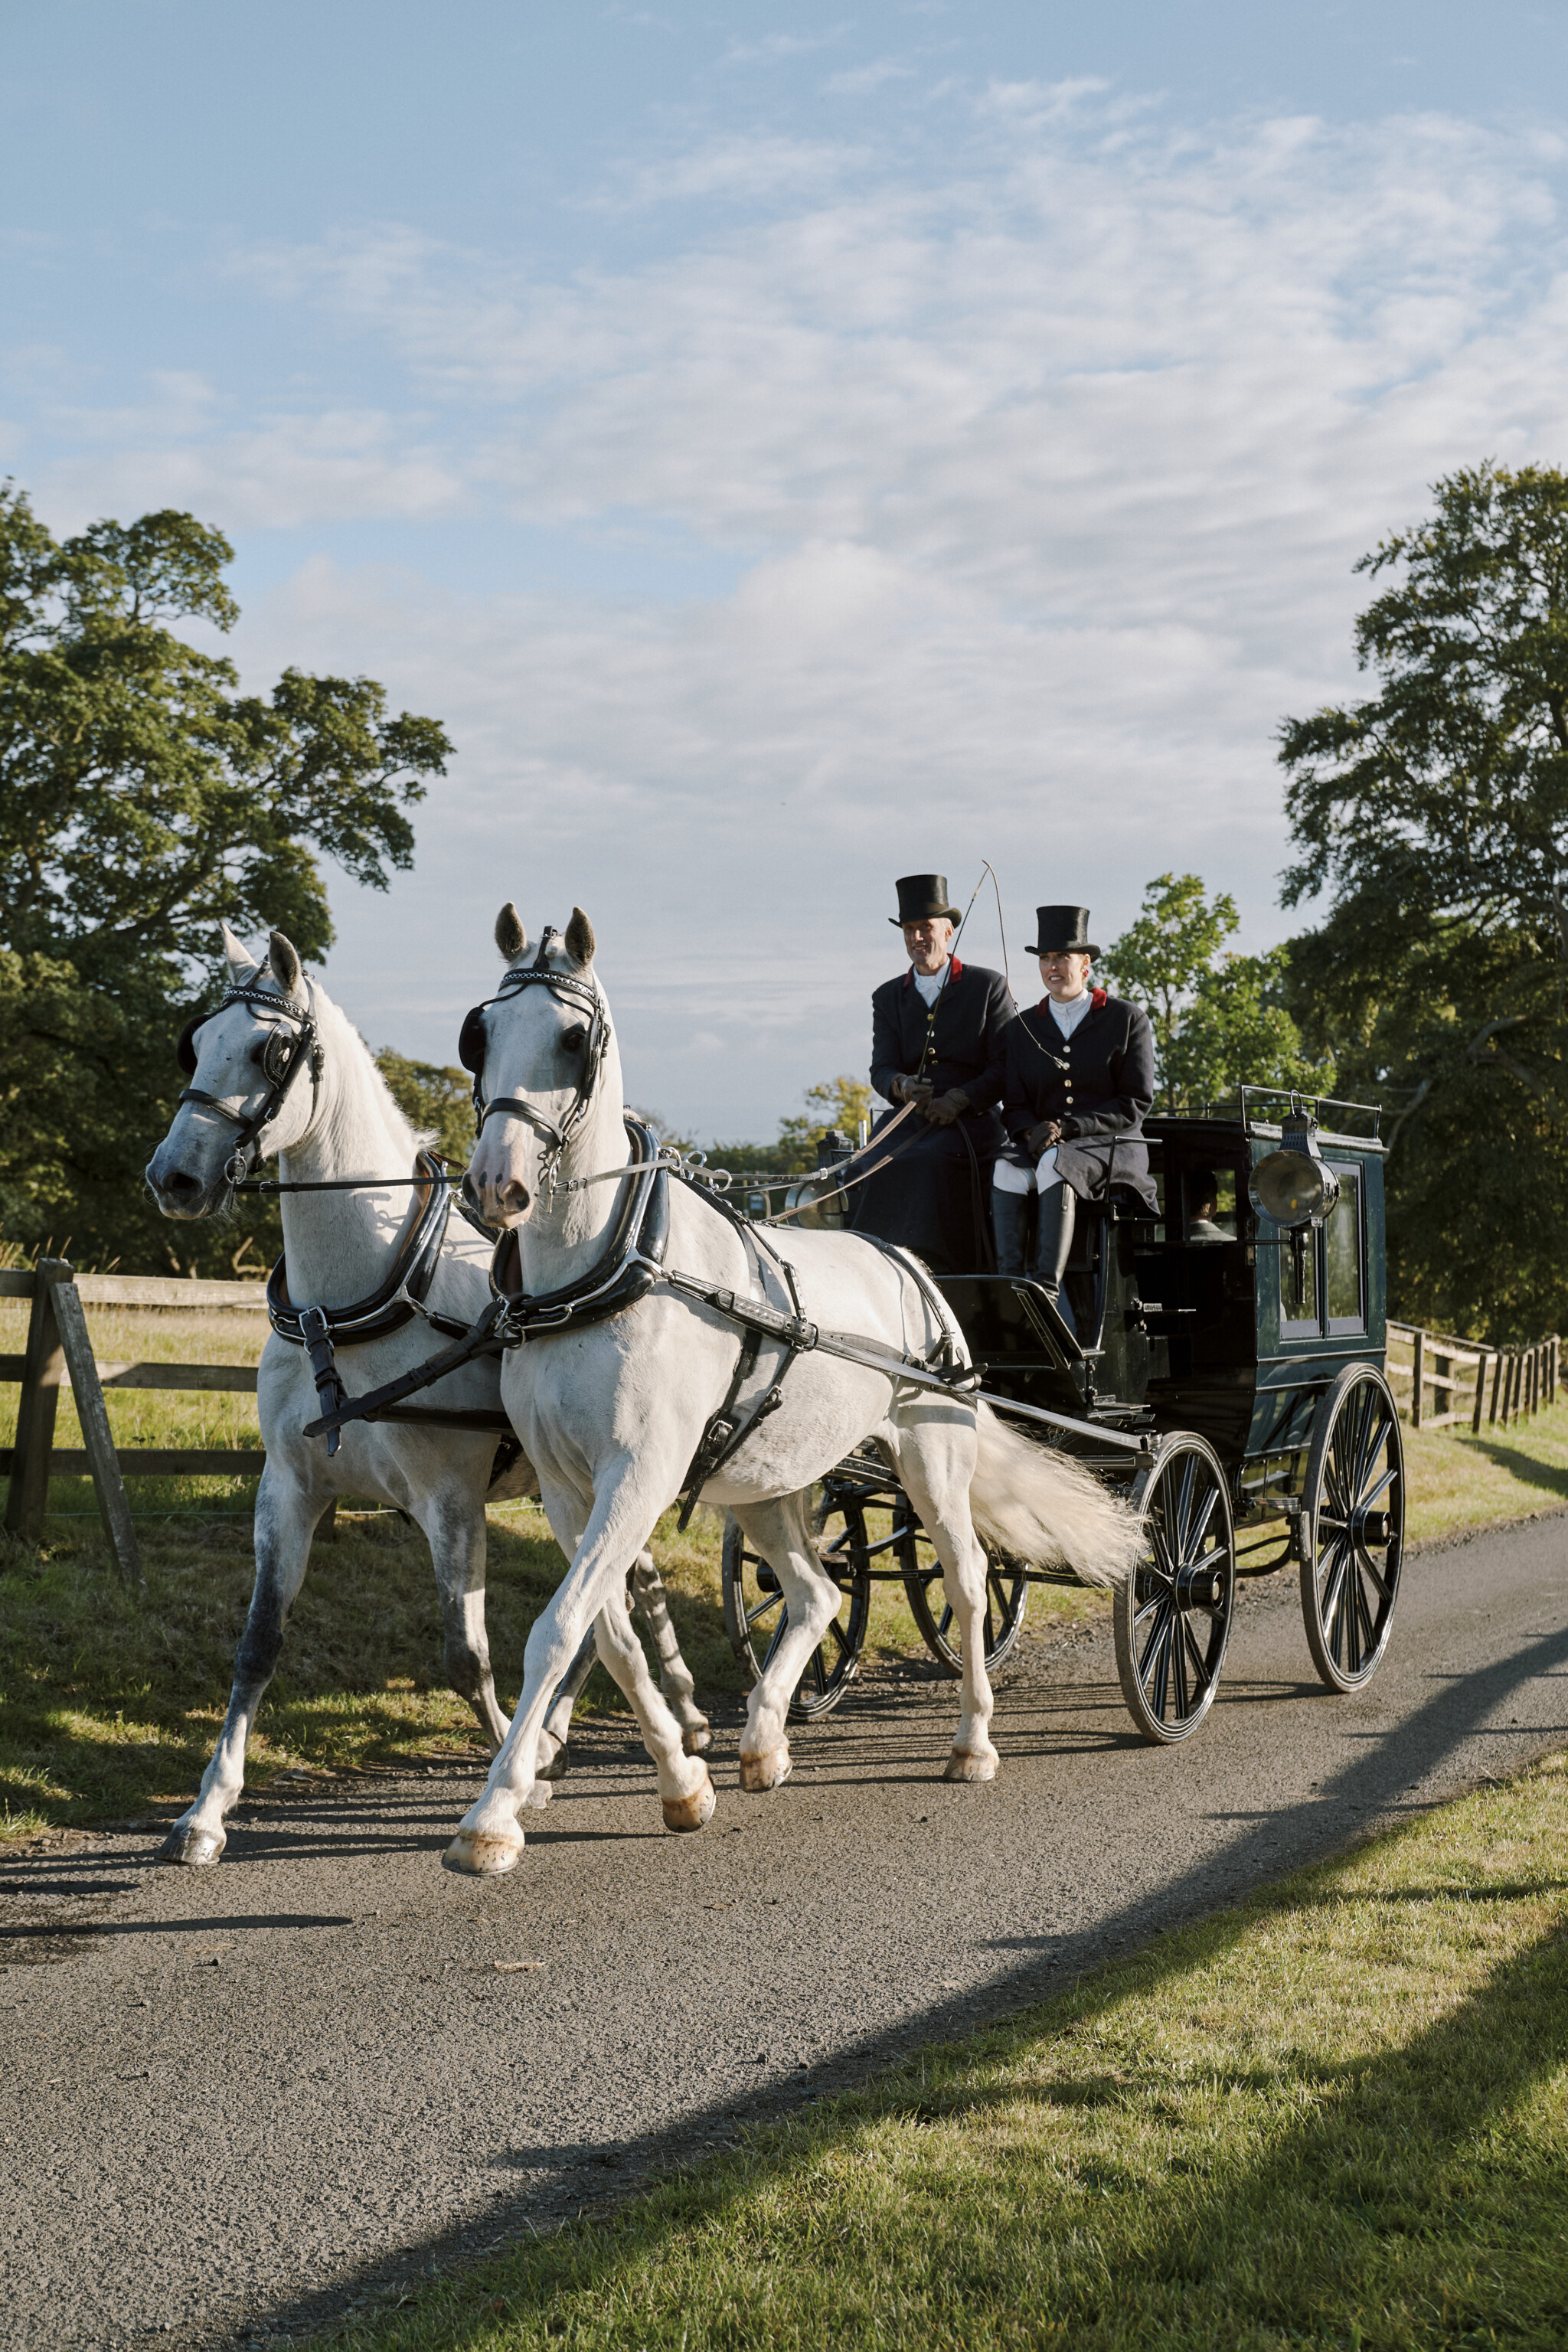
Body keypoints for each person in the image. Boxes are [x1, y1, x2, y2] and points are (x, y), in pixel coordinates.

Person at [991, 904, 1157, 1330]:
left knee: (1052, 1163)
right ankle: (1011, 1287)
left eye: (1061, 958)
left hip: (1115, 1146)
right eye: (1045, 959)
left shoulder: (1126, 1019)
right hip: (1045, 1145)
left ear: (1085, 964)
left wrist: (1069, 1128)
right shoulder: (1023, 1028)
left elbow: (1135, 1102)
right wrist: (1028, 1130)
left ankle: (1046, 1288)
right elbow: (1016, 1103)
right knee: (1005, 1170)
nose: (1052, 967)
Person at [849, 873, 1015, 1272]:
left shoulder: (987, 986)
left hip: (970, 1122)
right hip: (910, 1119)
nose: (917, 938)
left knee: (927, 1164)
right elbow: (881, 1068)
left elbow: (1006, 1065)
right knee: (861, 1167)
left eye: (925, 928)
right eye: (909, 930)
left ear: (948, 930)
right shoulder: (888, 996)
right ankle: (870, 1267)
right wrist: (902, 1086)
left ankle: (937, 1269)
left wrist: (961, 1098)